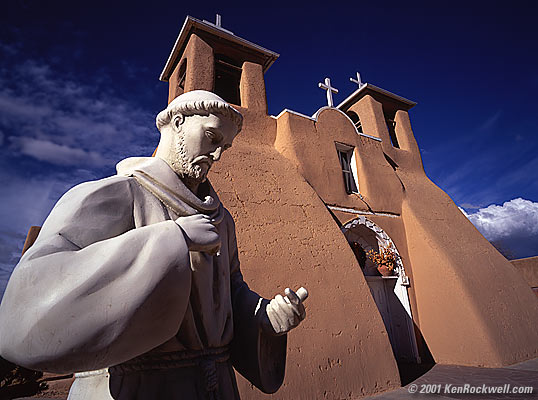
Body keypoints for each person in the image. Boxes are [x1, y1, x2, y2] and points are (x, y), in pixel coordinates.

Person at [0, 90, 308, 399]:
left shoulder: (221, 220)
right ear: (177, 123)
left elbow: (230, 290)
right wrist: (174, 239)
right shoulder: (117, 194)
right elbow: (29, 298)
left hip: (216, 384)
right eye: (212, 138)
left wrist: (263, 315)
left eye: (224, 147)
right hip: (136, 387)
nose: (217, 156)